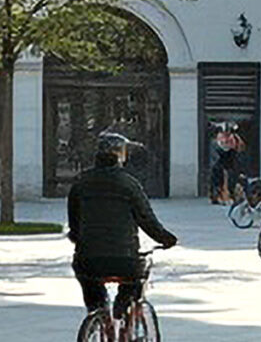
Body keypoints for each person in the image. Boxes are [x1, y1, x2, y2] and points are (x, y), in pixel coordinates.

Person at [66, 133, 178, 319]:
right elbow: (147, 220)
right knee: (135, 280)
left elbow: (74, 223)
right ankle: (123, 306)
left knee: (89, 282)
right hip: (125, 260)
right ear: (120, 156)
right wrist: (166, 239)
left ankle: (98, 314)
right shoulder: (129, 184)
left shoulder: (80, 183)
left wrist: (80, 239)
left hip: (88, 260)